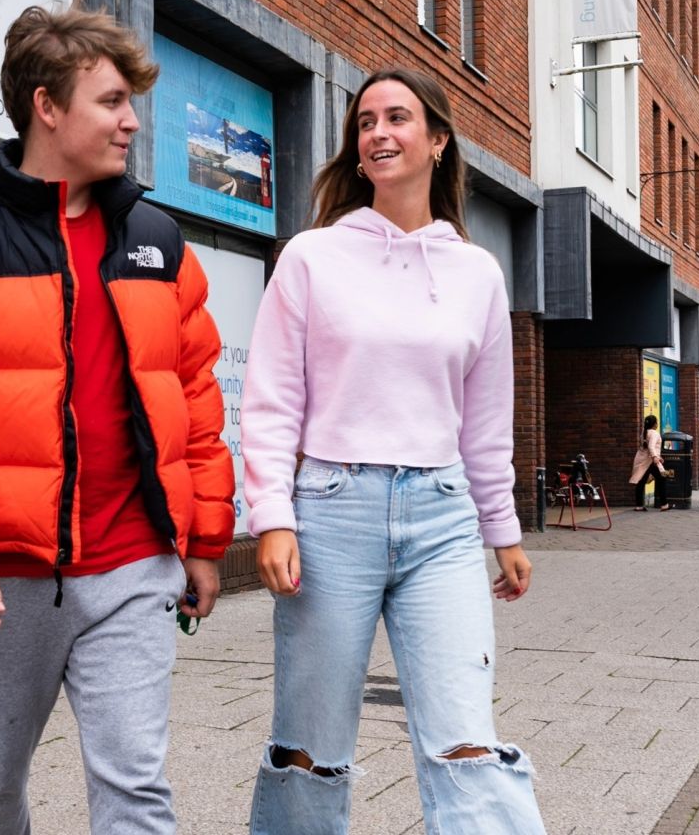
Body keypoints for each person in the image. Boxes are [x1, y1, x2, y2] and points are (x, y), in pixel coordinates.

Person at [0, 5, 235, 835]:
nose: (131, 121)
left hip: (134, 564)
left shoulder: (158, 241)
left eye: (130, 103)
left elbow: (196, 404)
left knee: (136, 785)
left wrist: (206, 541)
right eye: (111, 101)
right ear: (47, 106)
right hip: (5, 577)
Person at [241, 67, 545, 834]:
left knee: (466, 737)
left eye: (397, 118)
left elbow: (485, 422)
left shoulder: (477, 272)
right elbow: (273, 400)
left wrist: (500, 530)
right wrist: (271, 514)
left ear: (438, 140)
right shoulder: (311, 258)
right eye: (366, 121)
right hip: (331, 513)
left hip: (442, 521)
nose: (378, 132)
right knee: (312, 744)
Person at [631, 414, 668, 512]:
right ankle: (664, 504)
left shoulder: (644, 432)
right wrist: (656, 457)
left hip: (643, 460)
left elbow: (647, 447)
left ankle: (639, 505)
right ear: (655, 424)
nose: (657, 424)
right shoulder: (655, 433)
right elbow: (651, 447)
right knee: (662, 478)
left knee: (641, 482)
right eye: (657, 422)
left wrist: (658, 457)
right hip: (651, 461)